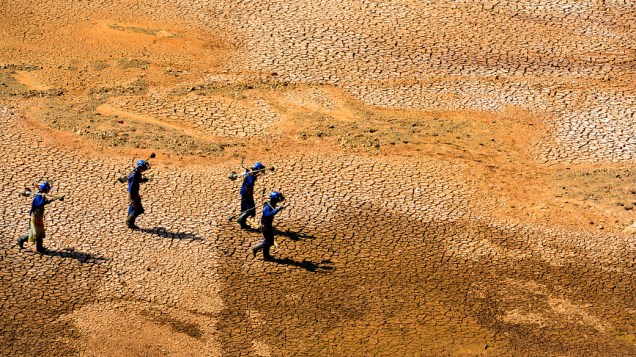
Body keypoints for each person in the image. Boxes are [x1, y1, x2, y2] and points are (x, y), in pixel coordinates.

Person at [17, 181, 63, 253]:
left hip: (39, 217)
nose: (49, 190)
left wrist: (55, 198)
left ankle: (39, 247)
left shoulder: (41, 194)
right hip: (35, 217)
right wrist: (43, 197)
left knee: (40, 232)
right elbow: (39, 204)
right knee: (35, 233)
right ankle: (21, 239)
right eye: (48, 189)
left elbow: (45, 202)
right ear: (45, 189)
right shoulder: (38, 196)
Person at [252, 191, 286, 260]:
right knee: (269, 241)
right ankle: (256, 248)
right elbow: (267, 215)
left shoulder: (272, 203)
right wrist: (277, 210)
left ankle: (266, 256)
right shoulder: (268, 206)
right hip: (265, 226)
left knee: (268, 240)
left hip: (268, 224)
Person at [238, 162, 266, 229]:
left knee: (245, 207)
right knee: (250, 209)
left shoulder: (249, 173)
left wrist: (254, 175)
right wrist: (253, 176)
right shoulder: (251, 176)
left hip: (245, 192)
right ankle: (241, 220)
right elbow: (250, 183)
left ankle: (242, 223)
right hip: (247, 193)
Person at [127, 160, 151, 229]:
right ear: (140, 167)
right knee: (139, 210)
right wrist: (134, 196)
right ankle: (129, 221)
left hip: (134, 193)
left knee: (132, 207)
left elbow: (138, 180)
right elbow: (131, 187)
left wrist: (143, 180)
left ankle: (130, 220)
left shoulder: (136, 173)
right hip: (133, 194)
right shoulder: (134, 175)